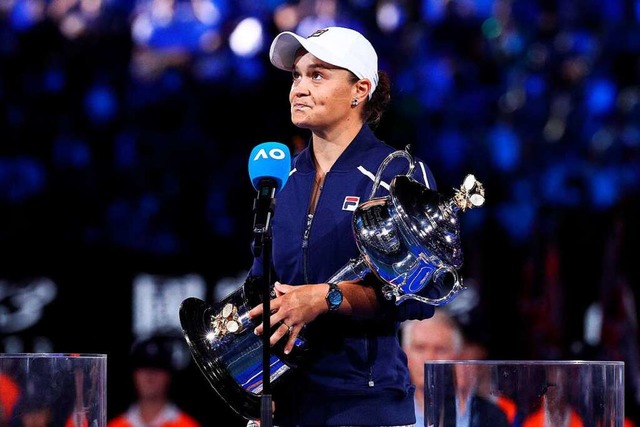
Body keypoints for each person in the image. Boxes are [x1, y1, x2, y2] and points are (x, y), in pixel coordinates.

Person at [246, 26, 439, 427]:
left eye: (317, 75)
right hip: (287, 402)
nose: (299, 87)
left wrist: (328, 298)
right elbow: (262, 281)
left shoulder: (397, 175)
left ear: (360, 89)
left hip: (364, 405)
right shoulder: (281, 176)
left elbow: (424, 292)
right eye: (297, 75)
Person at [401, 309, 511, 427]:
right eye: (420, 348)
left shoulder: (491, 416)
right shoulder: (384, 411)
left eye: (440, 349)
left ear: (457, 356)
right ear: (405, 353)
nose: (429, 358)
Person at [107, 336, 201, 427]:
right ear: (134, 374)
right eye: (143, 367)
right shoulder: (115, 425)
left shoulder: (188, 425)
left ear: (168, 375)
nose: (150, 376)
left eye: (157, 368)